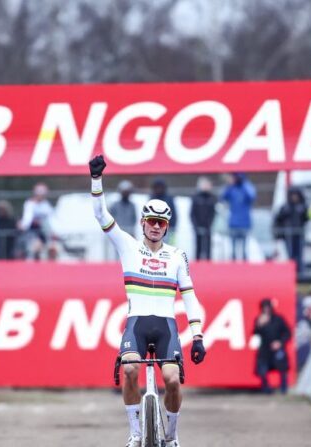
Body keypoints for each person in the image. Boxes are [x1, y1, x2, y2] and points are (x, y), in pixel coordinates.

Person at [88, 155, 206, 447]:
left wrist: (198, 335)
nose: (155, 227)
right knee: (129, 370)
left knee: (174, 381)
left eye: (161, 223)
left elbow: (189, 296)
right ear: (142, 222)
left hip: (166, 325)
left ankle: (172, 436)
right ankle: (135, 433)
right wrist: (96, 180)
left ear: (167, 227)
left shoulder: (177, 256)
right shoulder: (127, 246)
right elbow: (102, 216)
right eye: (151, 221)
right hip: (137, 324)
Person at [253, 298, 291, 394]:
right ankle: (266, 388)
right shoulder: (259, 320)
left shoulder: (278, 319)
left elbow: (287, 333)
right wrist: (259, 325)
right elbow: (255, 333)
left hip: (278, 348)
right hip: (265, 349)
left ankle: (283, 388)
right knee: (262, 369)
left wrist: (280, 343)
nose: (266, 310)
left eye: (268, 307)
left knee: (282, 368)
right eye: (264, 308)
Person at [221, 173, 256, 261]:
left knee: (244, 251)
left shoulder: (246, 188)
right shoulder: (232, 189)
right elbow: (222, 197)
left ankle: (245, 270)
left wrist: (244, 183)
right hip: (233, 223)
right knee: (233, 252)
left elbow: (252, 196)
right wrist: (229, 185)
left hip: (245, 223)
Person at [274, 187, 309, 274]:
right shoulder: (285, 207)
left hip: (299, 234)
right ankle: (291, 273)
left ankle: (301, 274)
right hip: (288, 235)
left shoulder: (303, 207)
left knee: (299, 255)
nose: (294, 198)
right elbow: (278, 220)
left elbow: (308, 218)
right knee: (291, 256)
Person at [19, 182, 55, 260]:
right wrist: (23, 225)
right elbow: (27, 220)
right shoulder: (29, 204)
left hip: (44, 233)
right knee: (35, 247)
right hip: (31, 232)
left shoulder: (46, 205)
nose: (41, 196)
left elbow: (51, 219)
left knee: (51, 249)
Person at [190, 176, 217, 260]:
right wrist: (195, 225)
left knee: (208, 248)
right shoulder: (196, 197)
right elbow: (192, 213)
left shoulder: (211, 198)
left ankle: (208, 265)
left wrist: (209, 224)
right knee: (198, 247)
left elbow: (213, 213)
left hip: (207, 226)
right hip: (198, 226)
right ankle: (198, 263)